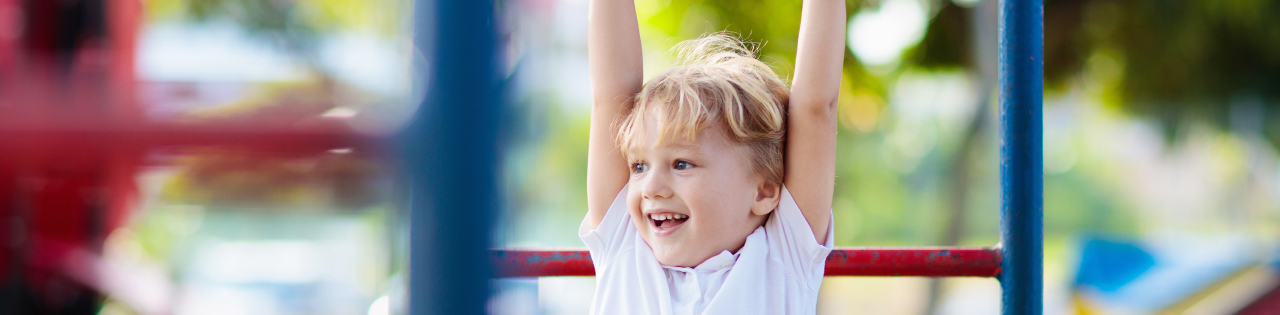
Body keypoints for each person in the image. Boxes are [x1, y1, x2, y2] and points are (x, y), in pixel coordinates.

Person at [580, 0, 845, 313]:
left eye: (682, 164)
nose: (650, 187)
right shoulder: (624, 243)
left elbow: (816, 109)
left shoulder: (783, 258)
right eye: (639, 166)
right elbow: (611, 98)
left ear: (763, 191)